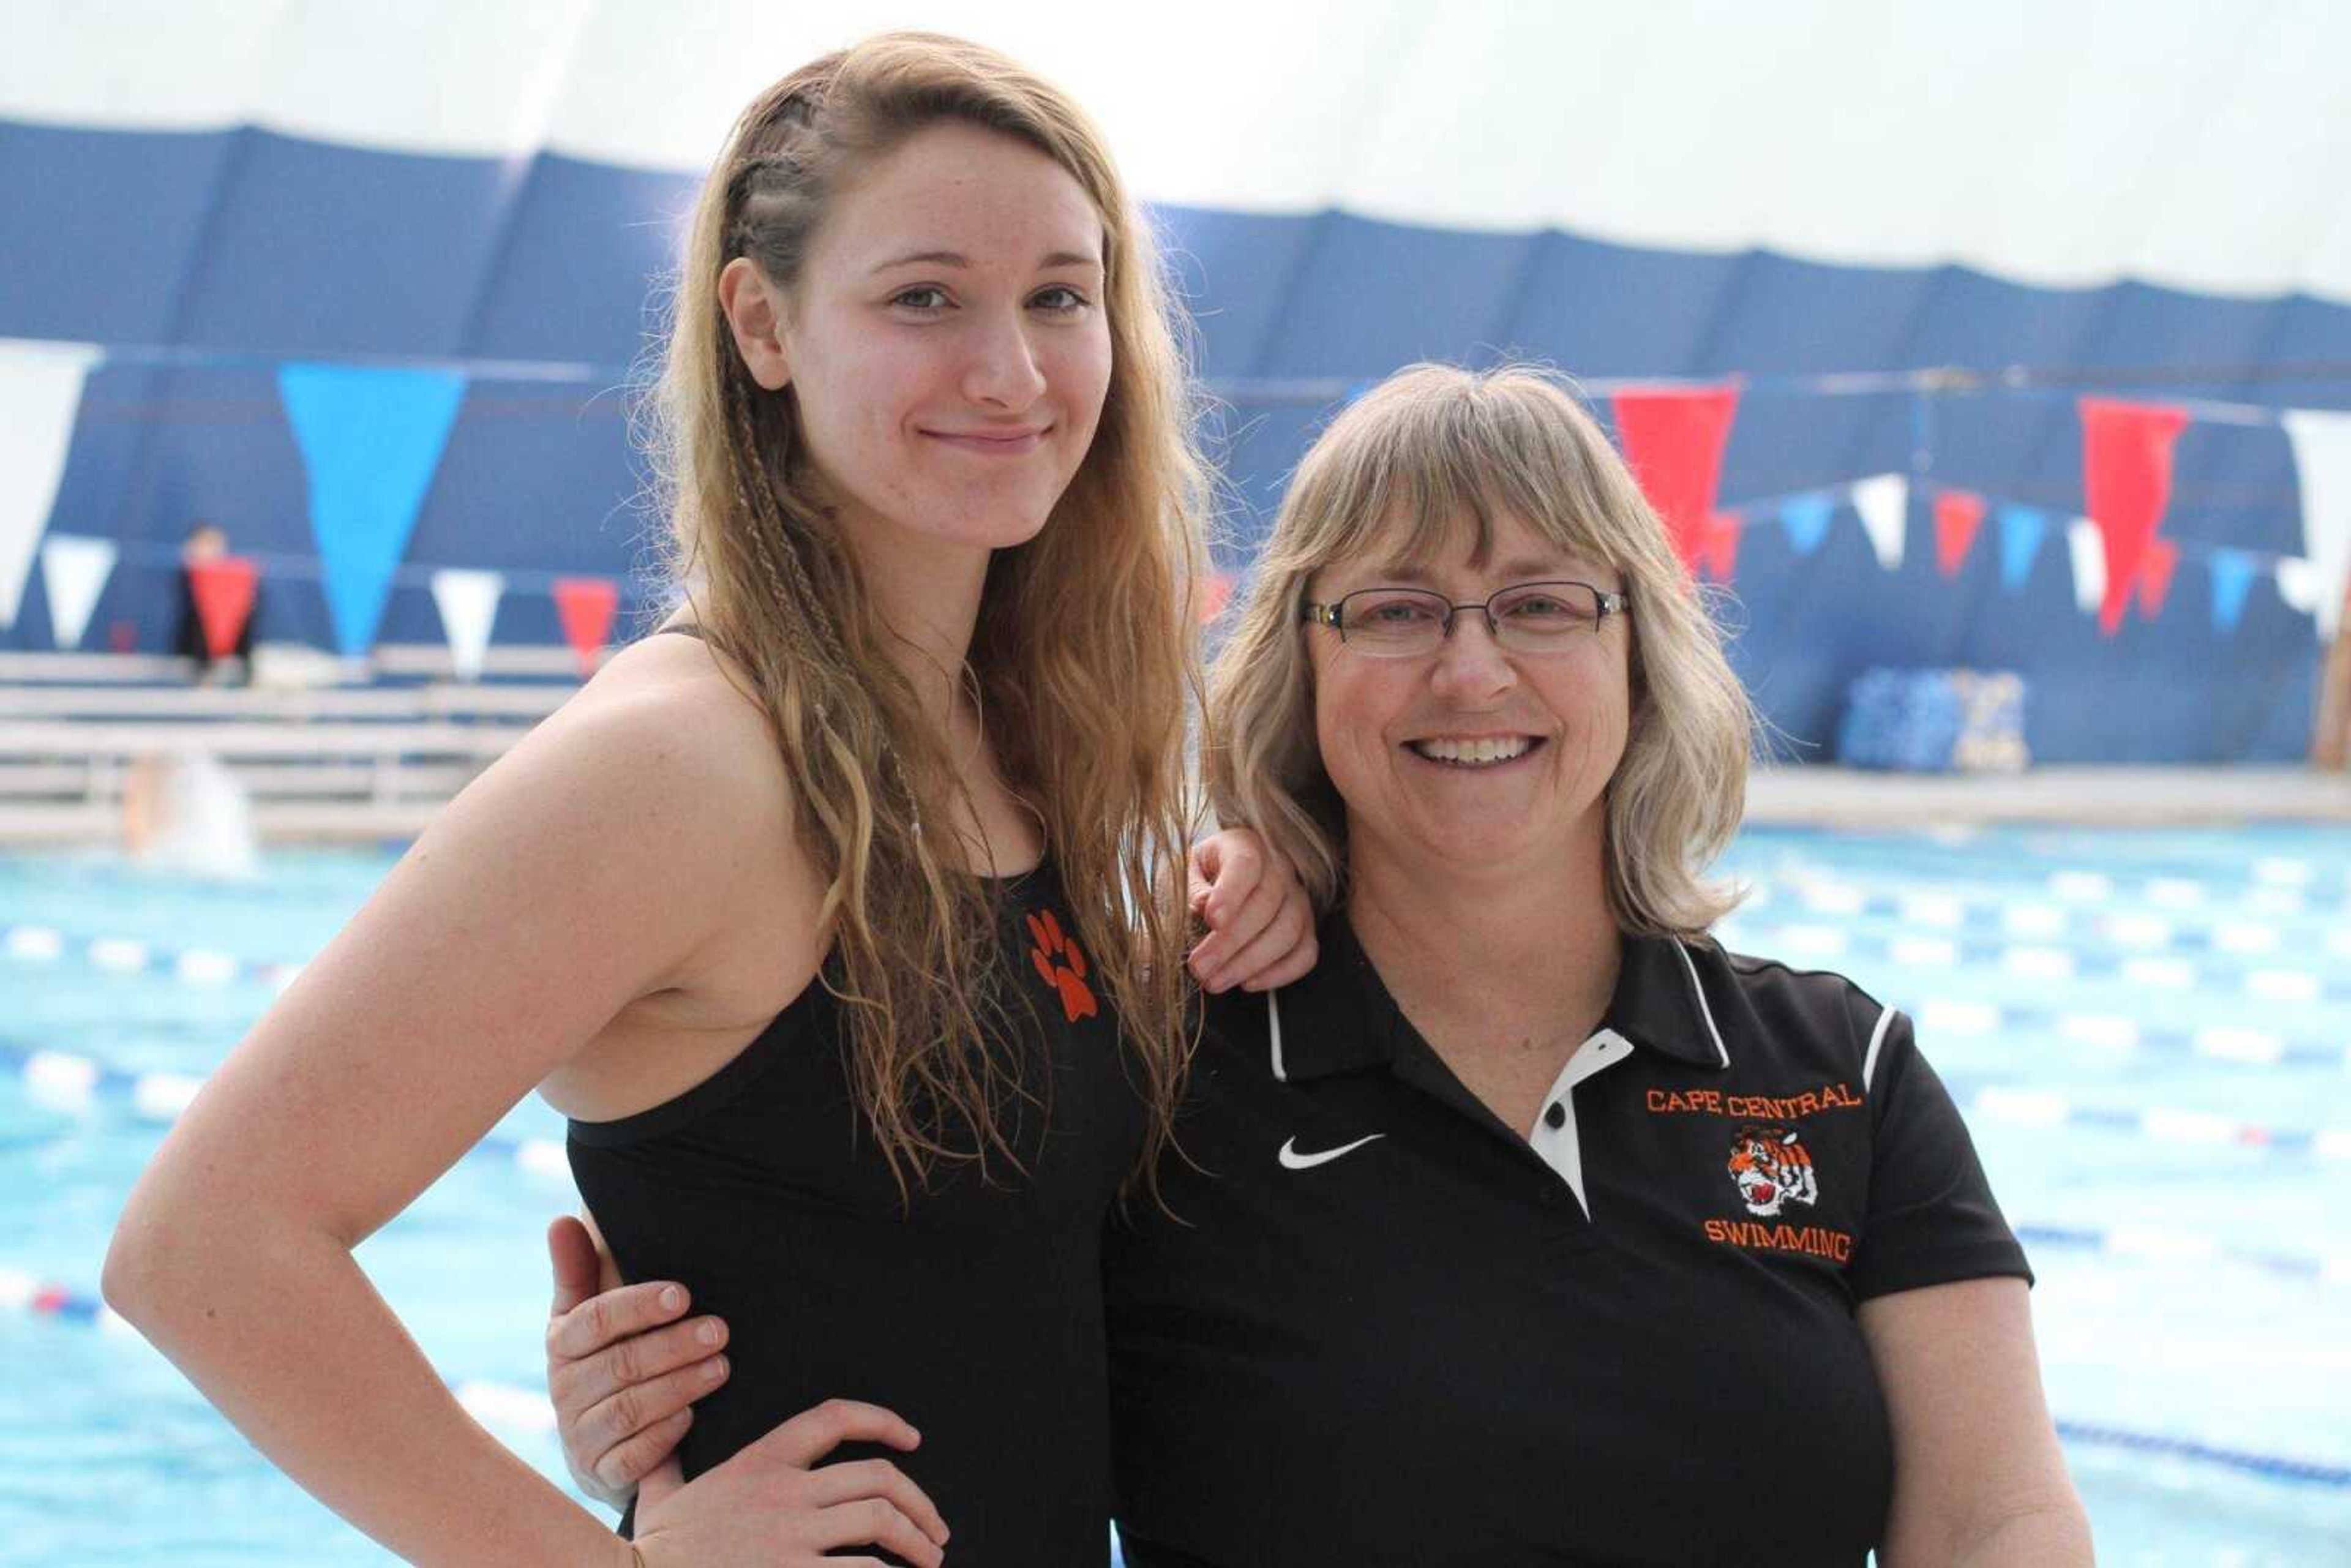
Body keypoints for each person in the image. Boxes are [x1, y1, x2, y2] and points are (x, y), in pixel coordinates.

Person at [103, 33, 1311, 1568]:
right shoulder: (688, 762)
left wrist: (1243, 888)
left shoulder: (1016, 735)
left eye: (1059, 297)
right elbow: (202, 1244)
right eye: (923, 295)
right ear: (762, 325)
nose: (1010, 370)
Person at [553, 365, 2093, 1566]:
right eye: (1396, 608)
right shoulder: (1158, 1069)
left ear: (1640, 648)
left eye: (1544, 602)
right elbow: (897, 1310)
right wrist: (655, 1426)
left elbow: (1994, 1519)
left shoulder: (1838, 1070)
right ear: (1301, 660)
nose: (1472, 667)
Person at [171, 520, 255, 682]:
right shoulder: (189, 574)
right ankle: (203, 668)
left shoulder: (233, 574)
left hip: (230, 633)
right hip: (196, 645)